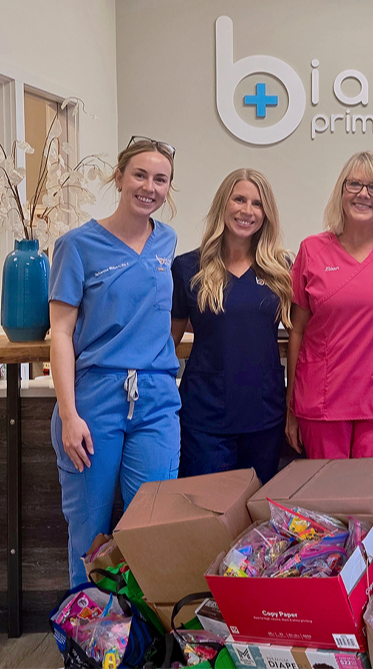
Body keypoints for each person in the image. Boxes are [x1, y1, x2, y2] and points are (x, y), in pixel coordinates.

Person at [49, 136, 181, 587]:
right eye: (140, 175)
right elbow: (61, 334)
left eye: (160, 179)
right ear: (120, 177)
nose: (149, 187)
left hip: (157, 401)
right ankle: (88, 645)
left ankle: (136, 641)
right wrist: (69, 415)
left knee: (152, 529)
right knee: (90, 535)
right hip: (95, 401)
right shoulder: (76, 245)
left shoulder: (167, 242)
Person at [285, 151, 373, 458]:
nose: (363, 194)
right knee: (326, 501)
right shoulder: (311, 250)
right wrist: (291, 406)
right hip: (321, 403)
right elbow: (297, 331)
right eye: (354, 185)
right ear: (341, 192)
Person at [170, 169, 292, 483]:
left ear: (266, 214)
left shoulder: (282, 270)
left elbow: (302, 335)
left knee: (256, 520)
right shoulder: (187, 268)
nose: (246, 210)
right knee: (209, 520)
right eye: (239, 199)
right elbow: (166, 344)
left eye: (256, 203)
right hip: (205, 419)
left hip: (264, 417)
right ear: (223, 204)